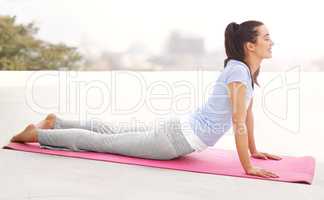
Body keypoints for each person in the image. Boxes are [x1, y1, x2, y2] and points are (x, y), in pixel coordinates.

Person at [10, 20, 282, 178]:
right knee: (102, 142)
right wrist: (248, 167)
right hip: (173, 140)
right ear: (250, 45)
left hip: (176, 130)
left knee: (111, 130)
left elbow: (247, 113)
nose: (271, 43)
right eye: (267, 38)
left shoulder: (245, 70)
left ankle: (56, 121)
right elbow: (238, 121)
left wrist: (254, 151)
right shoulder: (237, 71)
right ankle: (38, 135)